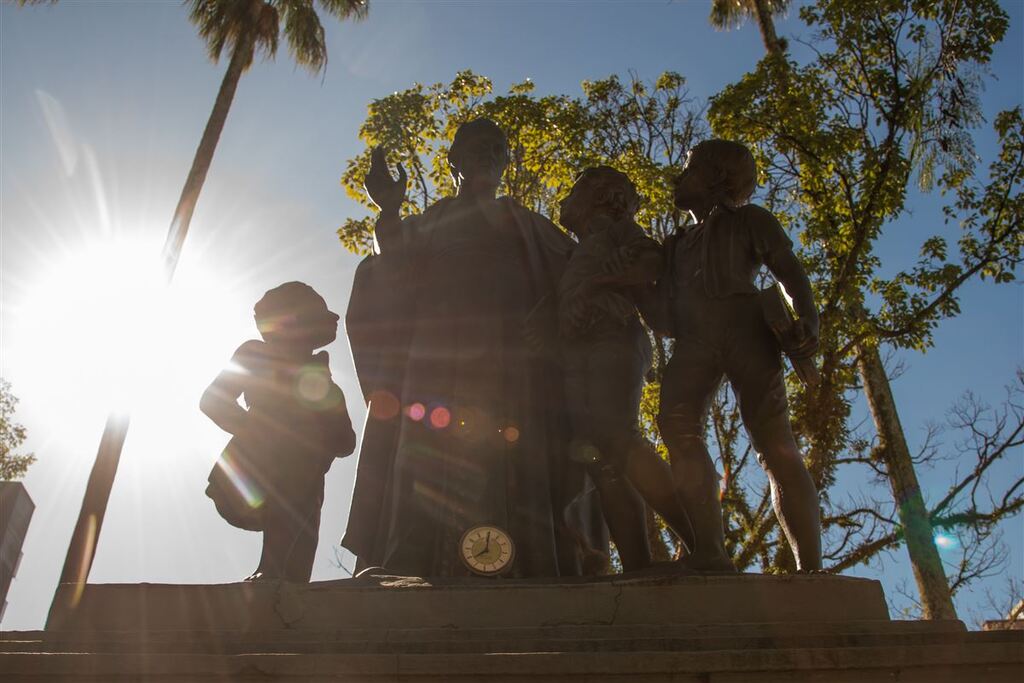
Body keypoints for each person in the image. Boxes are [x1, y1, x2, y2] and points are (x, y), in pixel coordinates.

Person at [343, 119, 598, 578]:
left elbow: (578, 275)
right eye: (476, 146)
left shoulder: (528, 224)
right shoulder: (436, 219)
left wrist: (553, 316)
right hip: (437, 351)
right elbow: (391, 263)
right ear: (453, 159)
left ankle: (527, 563)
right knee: (421, 448)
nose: (488, 153)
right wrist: (389, 210)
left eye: (497, 147)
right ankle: (411, 556)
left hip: (514, 355)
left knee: (513, 448)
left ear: (506, 161)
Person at [658, 140, 821, 572]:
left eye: (689, 169)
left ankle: (811, 571)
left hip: (746, 327)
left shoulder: (751, 219)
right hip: (695, 340)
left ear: (716, 178)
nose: (678, 176)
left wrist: (808, 321)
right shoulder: (674, 246)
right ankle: (710, 552)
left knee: (774, 444)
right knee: (674, 425)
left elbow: (788, 270)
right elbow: (662, 312)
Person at [556, 166, 696, 572]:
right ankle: (638, 563)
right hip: (577, 351)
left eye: (573, 192)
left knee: (619, 438)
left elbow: (650, 263)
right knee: (598, 456)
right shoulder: (577, 249)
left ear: (601, 197)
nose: (564, 201)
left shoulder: (619, 233)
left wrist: (597, 285)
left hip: (613, 337)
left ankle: (699, 540)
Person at [201, 282, 355, 582]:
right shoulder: (255, 354)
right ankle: (270, 571)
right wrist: (256, 430)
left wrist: (322, 426)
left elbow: (345, 441)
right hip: (254, 463)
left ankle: (291, 582)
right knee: (289, 489)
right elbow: (213, 400)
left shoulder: (323, 378)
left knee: (301, 512)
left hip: (306, 469)